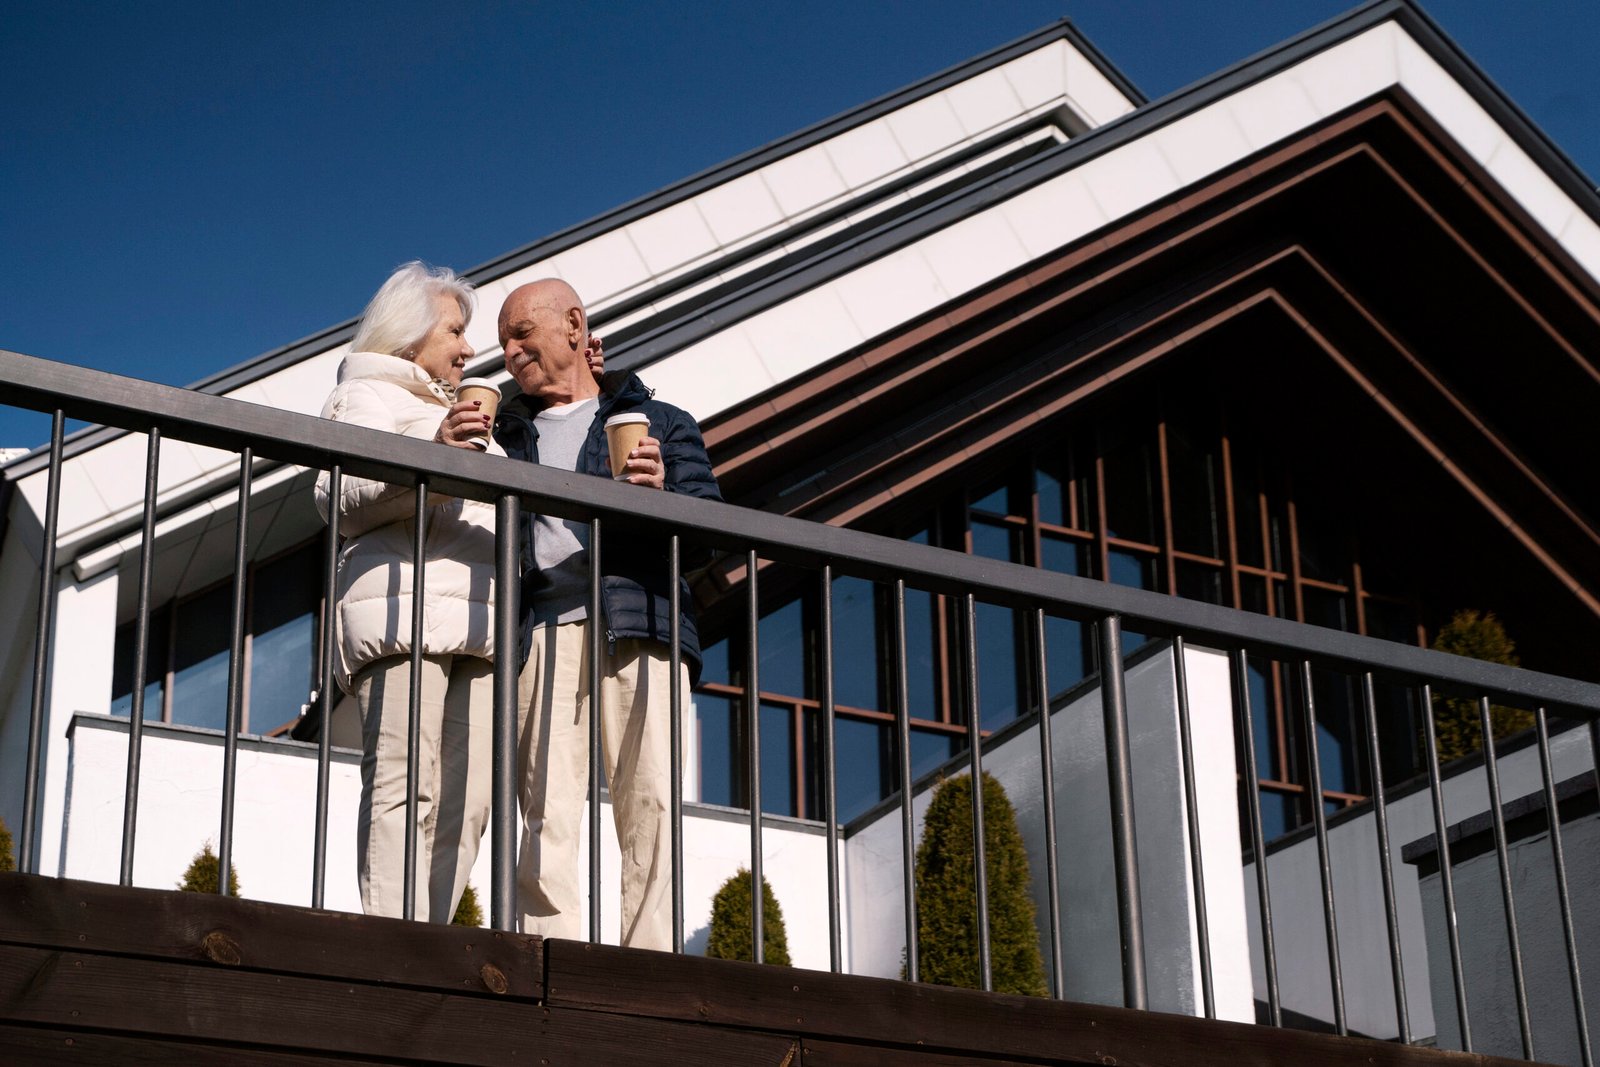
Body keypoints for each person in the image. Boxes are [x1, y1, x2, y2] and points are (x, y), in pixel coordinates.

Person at [312, 262, 603, 922]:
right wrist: (435, 456)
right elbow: (339, 494)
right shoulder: (364, 395)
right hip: (404, 618)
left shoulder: (465, 411)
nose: (470, 348)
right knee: (403, 783)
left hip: (480, 631)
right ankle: (394, 940)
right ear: (410, 334)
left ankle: (433, 939)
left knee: (468, 804)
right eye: (456, 329)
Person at [494, 278, 721, 949]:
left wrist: (663, 496)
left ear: (572, 324)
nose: (509, 353)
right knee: (546, 810)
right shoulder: (507, 433)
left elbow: (707, 530)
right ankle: (547, 955)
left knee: (650, 801)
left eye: (519, 333)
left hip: (641, 622)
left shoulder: (661, 422)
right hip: (542, 631)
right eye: (504, 341)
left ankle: (649, 960)